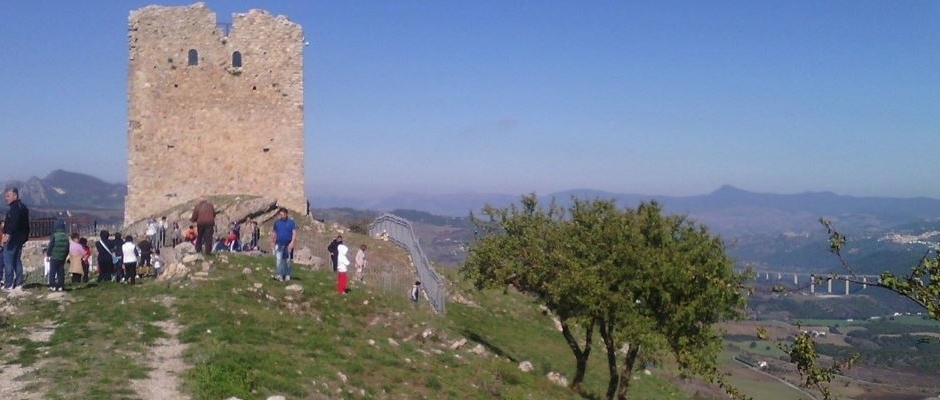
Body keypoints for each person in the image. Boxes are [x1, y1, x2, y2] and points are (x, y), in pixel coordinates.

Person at [2, 187, 30, 291]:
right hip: (20, 239)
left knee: (8, 261)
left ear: (15, 195)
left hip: (12, 239)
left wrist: (7, 235)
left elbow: (14, 224)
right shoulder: (23, 207)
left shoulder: (14, 209)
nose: (6, 198)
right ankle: (19, 283)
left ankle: (8, 284)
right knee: (17, 261)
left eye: (8, 196)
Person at [270, 207, 296, 281]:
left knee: (287, 260)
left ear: (286, 214)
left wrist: (292, 242)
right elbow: (274, 232)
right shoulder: (277, 223)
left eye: (283, 214)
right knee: (279, 259)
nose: (281, 216)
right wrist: (272, 242)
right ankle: (279, 274)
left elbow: (294, 233)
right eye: (280, 214)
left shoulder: (291, 223)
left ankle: (287, 274)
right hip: (279, 244)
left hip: (288, 244)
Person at [46, 220, 69, 292]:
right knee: (61, 272)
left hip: (54, 256)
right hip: (62, 257)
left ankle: (52, 285)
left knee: (52, 271)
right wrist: (65, 256)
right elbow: (67, 248)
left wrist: (48, 254)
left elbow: (50, 246)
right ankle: (61, 286)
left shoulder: (54, 236)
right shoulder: (66, 236)